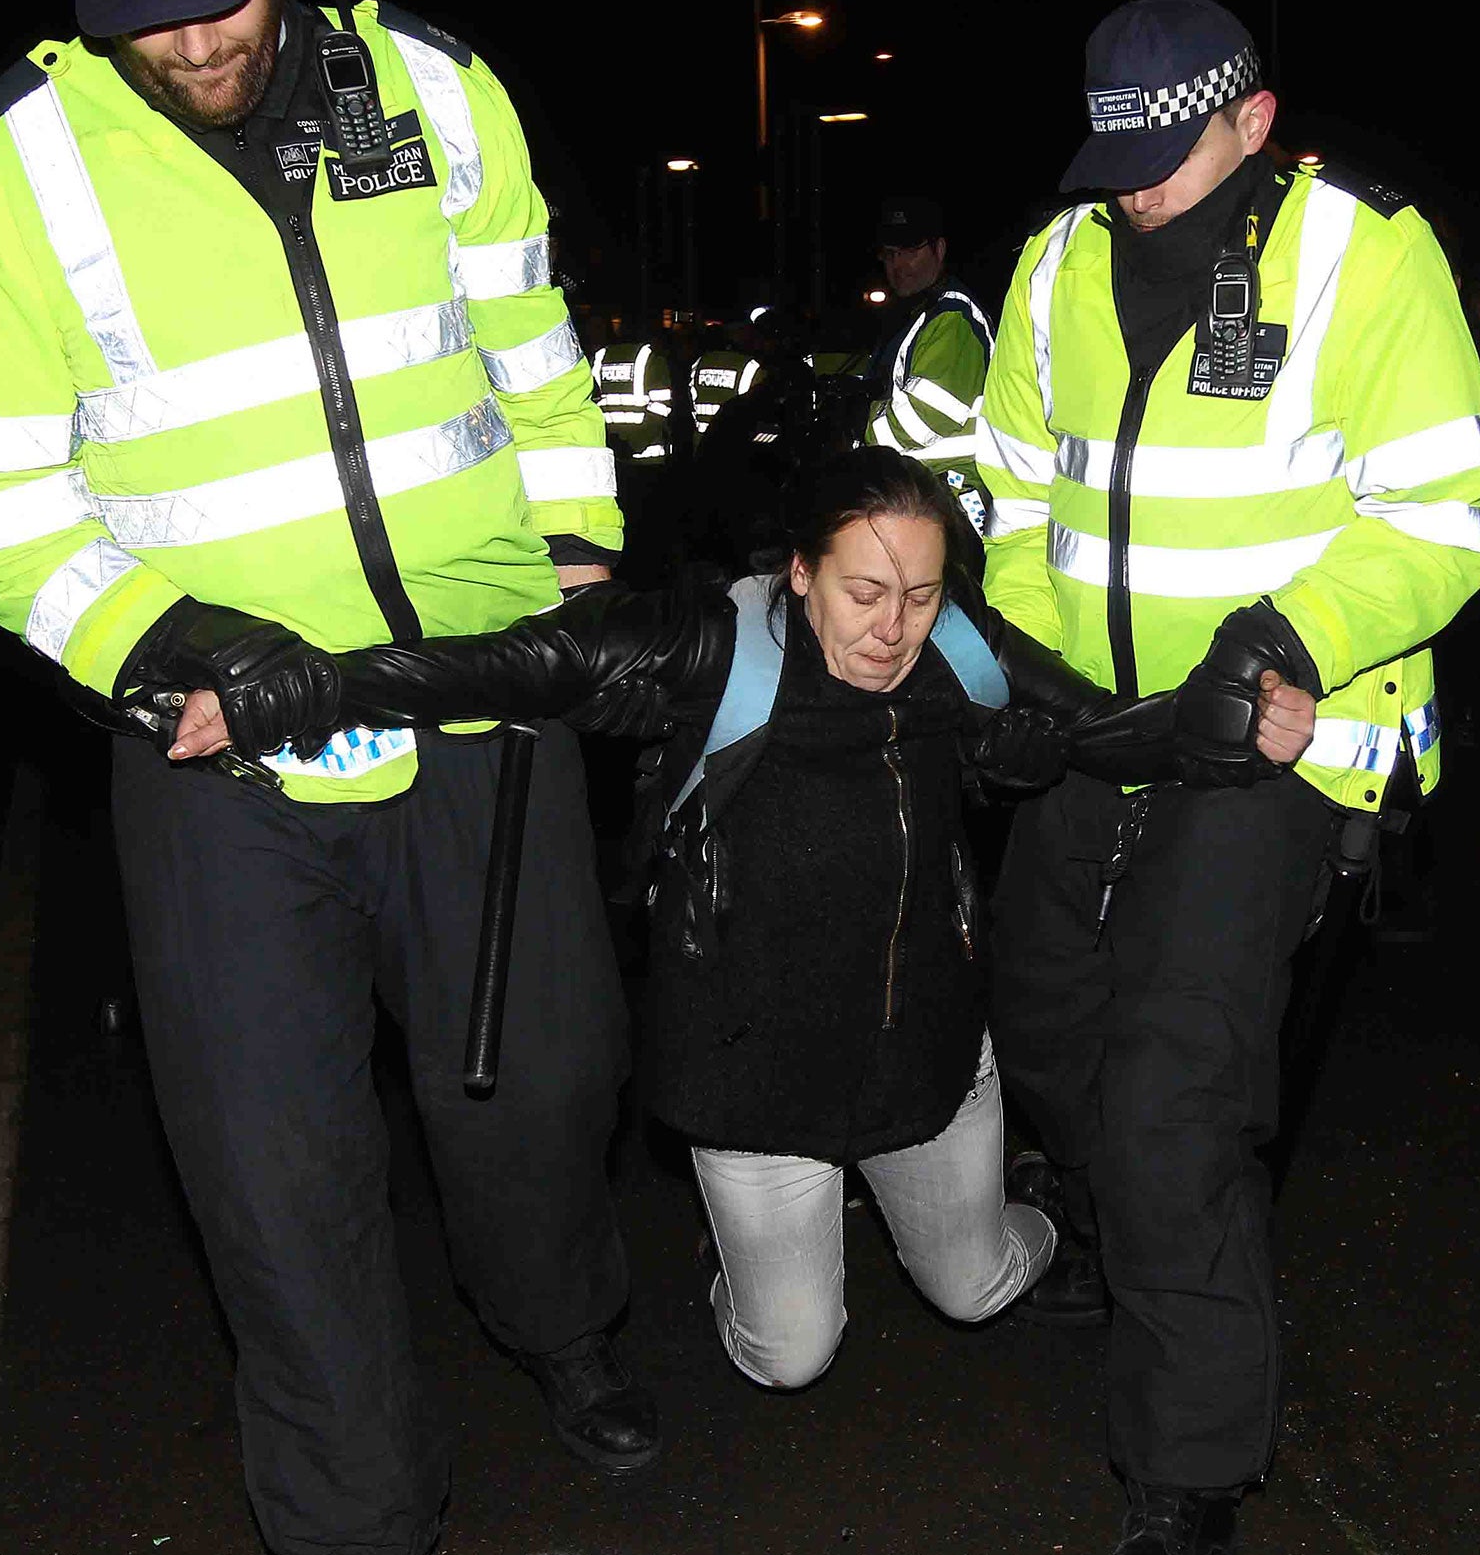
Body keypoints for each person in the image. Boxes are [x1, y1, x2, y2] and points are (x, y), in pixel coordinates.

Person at [0, 0, 655, 1555]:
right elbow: (1, 504)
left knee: (533, 1089)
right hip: (220, 756)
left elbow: (527, 338)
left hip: (476, 700)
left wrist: (574, 564)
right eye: (150, 15)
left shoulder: (428, 81)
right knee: (273, 1161)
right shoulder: (10, 168)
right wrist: (169, 649)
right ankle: (357, 1537)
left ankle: (564, 1326)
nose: (198, 45)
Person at [169, 450, 1314, 1395]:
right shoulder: (712, 644)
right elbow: (510, 666)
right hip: (751, 1066)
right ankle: (754, 1253)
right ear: (801, 571)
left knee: (976, 1284)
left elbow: (1097, 731)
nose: (893, 627)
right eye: (865, 593)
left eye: (918, 595)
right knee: (791, 1353)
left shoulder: (961, 650)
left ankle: (1045, 1209)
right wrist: (313, 688)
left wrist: (1209, 730)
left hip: (924, 1045)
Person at [977, 0, 1480, 1555]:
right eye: (1109, 161)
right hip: (1092, 735)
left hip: (1274, 745)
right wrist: (1025, 670)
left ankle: (1191, 1479)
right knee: (1050, 1037)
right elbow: (1009, 494)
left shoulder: (1368, 257)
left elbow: (1438, 519)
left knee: (1172, 1097)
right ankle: (1148, 1233)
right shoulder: (1057, 263)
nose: (1133, 194)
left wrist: (1288, 646)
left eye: (1165, 160)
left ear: (1252, 123)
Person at [865, 196, 997, 527]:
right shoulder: (918, 314)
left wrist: (855, 427)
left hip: (952, 499)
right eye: (890, 254)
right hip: (926, 496)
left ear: (939, 249)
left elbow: (924, 419)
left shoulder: (953, 320)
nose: (898, 265)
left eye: (910, 251)